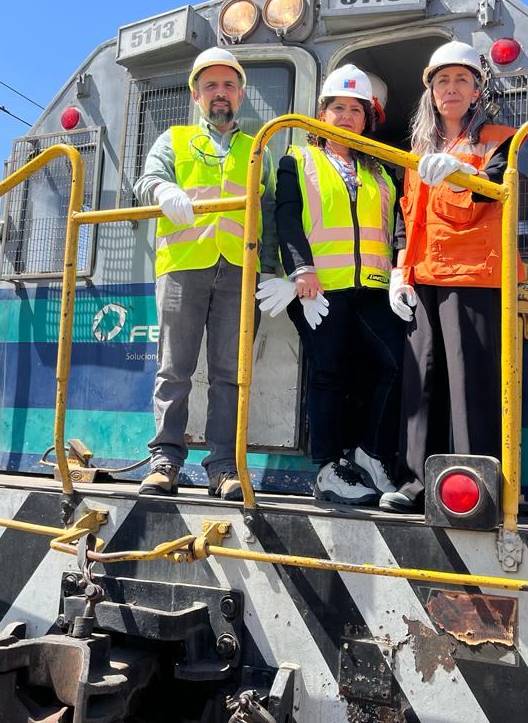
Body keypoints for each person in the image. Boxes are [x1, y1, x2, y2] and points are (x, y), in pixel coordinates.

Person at [380, 41, 526, 513]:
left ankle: (479, 486)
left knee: (470, 383)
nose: (451, 88)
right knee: (419, 380)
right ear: (431, 92)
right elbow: (407, 216)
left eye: (461, 79)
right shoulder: (417, 153)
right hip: (422, 276)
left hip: (474, 276)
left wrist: (461, 171)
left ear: (477, 90)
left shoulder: (501, 139)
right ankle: (414, 484)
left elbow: (497, 189)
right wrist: (399, 272)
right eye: (442, 80)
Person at [133, 47, 277, 500]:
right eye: (211, 85)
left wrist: (274, 270)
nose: (220, 93)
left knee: (230, 375)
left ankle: (224, 468)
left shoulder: (258, 150)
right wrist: (164, 189)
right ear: (196, 95)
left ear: (240, 95)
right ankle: (165, 462)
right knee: (173, 369)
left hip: (239, 270)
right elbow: (146, 181)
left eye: (228, 85)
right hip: (182, 267)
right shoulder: (173, 140)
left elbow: (270, 211)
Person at [257, 64, 403, 505]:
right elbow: (287, 218)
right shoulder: (297, 159)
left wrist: (400, 271)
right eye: (337, 107)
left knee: (395, 365)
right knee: (329, 375)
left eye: (356, 110)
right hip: (318, 290)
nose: (346, 117)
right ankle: (328, 470)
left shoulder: (382, 173)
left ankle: (369, 454)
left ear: (367, 120)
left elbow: (395, 226)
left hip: (374, 287)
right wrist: (300, 270)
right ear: (321, 114)